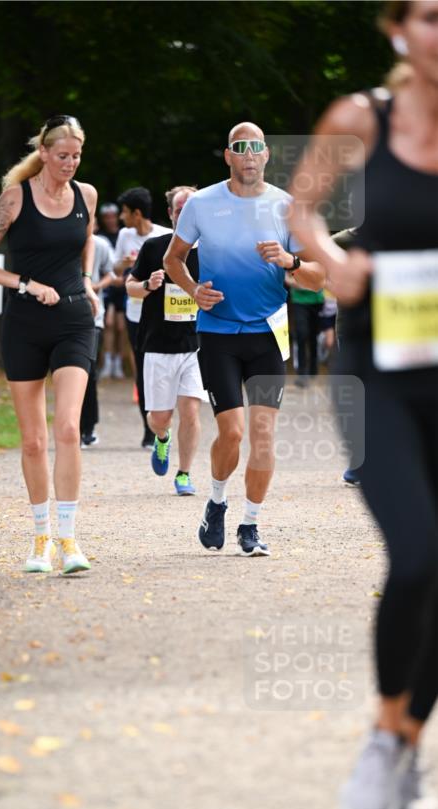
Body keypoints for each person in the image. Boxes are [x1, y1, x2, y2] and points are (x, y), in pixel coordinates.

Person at [289, 0, 438, 809]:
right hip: (378, 372)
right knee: (417, 555)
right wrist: (333, 260)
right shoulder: (361, 117)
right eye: (429, 16)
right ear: (397, 30)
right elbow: (301, 209)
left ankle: (406, 741)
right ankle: (384, 741)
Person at [164, 123, 325, 555]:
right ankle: (217, 501)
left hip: (268, 334)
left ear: (267, 155)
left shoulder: (286, 207)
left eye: (256, 148)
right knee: (232, 432)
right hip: (217, 332)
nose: (249, 155)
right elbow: (172, 258)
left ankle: (249, 525)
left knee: (263, 434)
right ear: (228, 156)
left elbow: (317, 275)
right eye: (241, 148)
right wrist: (194, 289)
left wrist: (290, 260)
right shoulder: (201, 203)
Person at [0, 114, 99, 575]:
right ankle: (40, 538)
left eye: (77, 156)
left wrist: (86, 280)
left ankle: (69, 539)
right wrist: (25, 284)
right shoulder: (15, 199)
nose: (70, 163)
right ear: (43, 153)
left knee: (67, 429)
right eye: (62, 155)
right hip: (24, 324)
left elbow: (85, 240)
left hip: (74, 322)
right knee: (33, 441)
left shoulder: (87, 196)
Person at [126, 185, 205, 496]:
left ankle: (184, 473)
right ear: (171, 214)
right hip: (158, 344)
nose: (184, 215)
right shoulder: (154, 247)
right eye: (178, 210)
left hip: (196, 345)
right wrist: (147, 283)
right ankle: (161, 439)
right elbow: (130, 286)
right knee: (160, 418)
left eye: (190, 210)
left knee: (191, 410)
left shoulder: (210, 251)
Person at [114, 187, 172, 448]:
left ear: (137, 213)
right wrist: (126, 264)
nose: (121, 217)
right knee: (141, 369)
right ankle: (149, 431)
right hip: (134, 313)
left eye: (124, 213)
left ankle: (162, 422)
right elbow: (116, 270)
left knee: (161, 368)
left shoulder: (163, 237)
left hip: (160, 314)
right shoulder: (125, 236)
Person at [80, 231, 115, 447]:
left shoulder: (99, 244)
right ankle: (73, 426)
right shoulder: (59, 238)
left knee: (88, 372)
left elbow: (111, 274)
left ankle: (88, 427)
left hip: (93, 317)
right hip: (61, 314)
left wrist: (95, 286)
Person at [97, 203, 127, 379]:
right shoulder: (101, 238)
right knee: (109, 324)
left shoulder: (124, 235)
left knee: (122, 327)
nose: (109, 219)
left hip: (123, 287)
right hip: (109, 285)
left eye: (112, 216)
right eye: (106, 216)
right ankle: (107, 363)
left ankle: (119, 363)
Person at [287, 276, 324, 387]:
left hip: (317, 301)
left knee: (314, 336)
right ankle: (301, 372)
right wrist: (304, 286)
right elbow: (286, 277)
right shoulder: (295, 258)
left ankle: (313, 367)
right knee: (301, 334)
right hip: (299, 300)